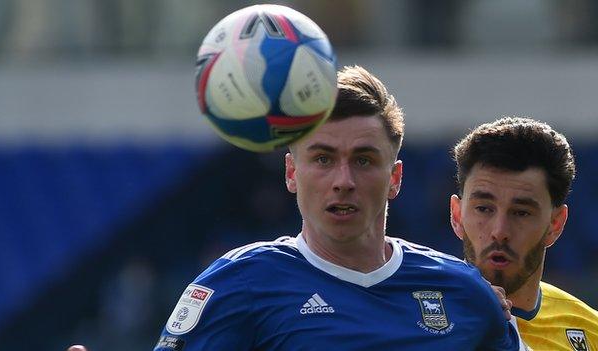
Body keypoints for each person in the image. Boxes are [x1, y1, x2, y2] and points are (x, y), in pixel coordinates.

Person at [145, 66, 526, 351]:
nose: (343, 180)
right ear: (292, 173)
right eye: (324, 159)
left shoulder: (464, 294)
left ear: (394, 179)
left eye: (363, 160)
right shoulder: (239, 284)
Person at [449, 117, 598, 350]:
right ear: (457, 216)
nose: (499, 232)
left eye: (521, 213)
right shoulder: (410, 319)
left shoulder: (590, 332)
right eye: (484, 209)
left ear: (555, 224)